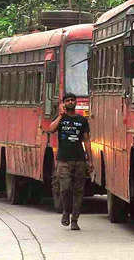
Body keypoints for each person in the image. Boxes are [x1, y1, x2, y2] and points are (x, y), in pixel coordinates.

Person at [48, 93, 93, 231]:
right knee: (65, 188)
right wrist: (61, 116)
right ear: (64, 103)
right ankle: (66, 212)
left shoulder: (82, 120)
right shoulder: (61, 119)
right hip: (63, 160)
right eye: (67, 100)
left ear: (76, 102)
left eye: (73, 100)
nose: (71, 102)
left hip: (79, 160)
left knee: (78, 191)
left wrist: (90, 160)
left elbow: (86, 140)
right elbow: (50, 129)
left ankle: (75, 220)